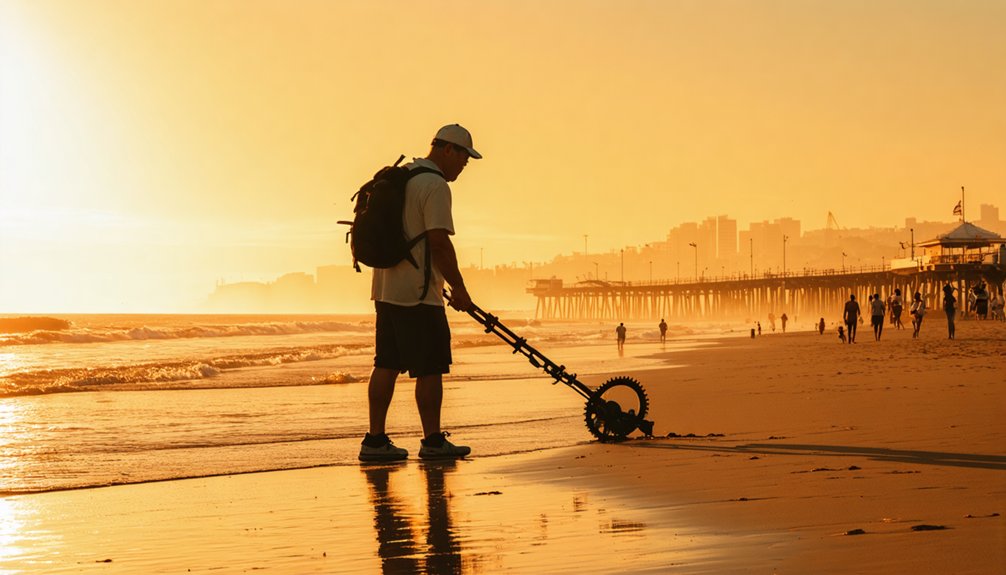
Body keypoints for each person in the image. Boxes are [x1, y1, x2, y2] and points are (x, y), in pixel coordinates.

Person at [359, 123, 482, 462]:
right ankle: (432, 440)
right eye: (464, 159)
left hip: (385, 287)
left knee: (386, 363)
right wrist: (459, 288)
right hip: (418, 292)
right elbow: (439, 242)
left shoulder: (405, 175)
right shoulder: (435, 185)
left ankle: (374, 441)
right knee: (431, 366)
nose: (464, 165)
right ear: (448, 150)